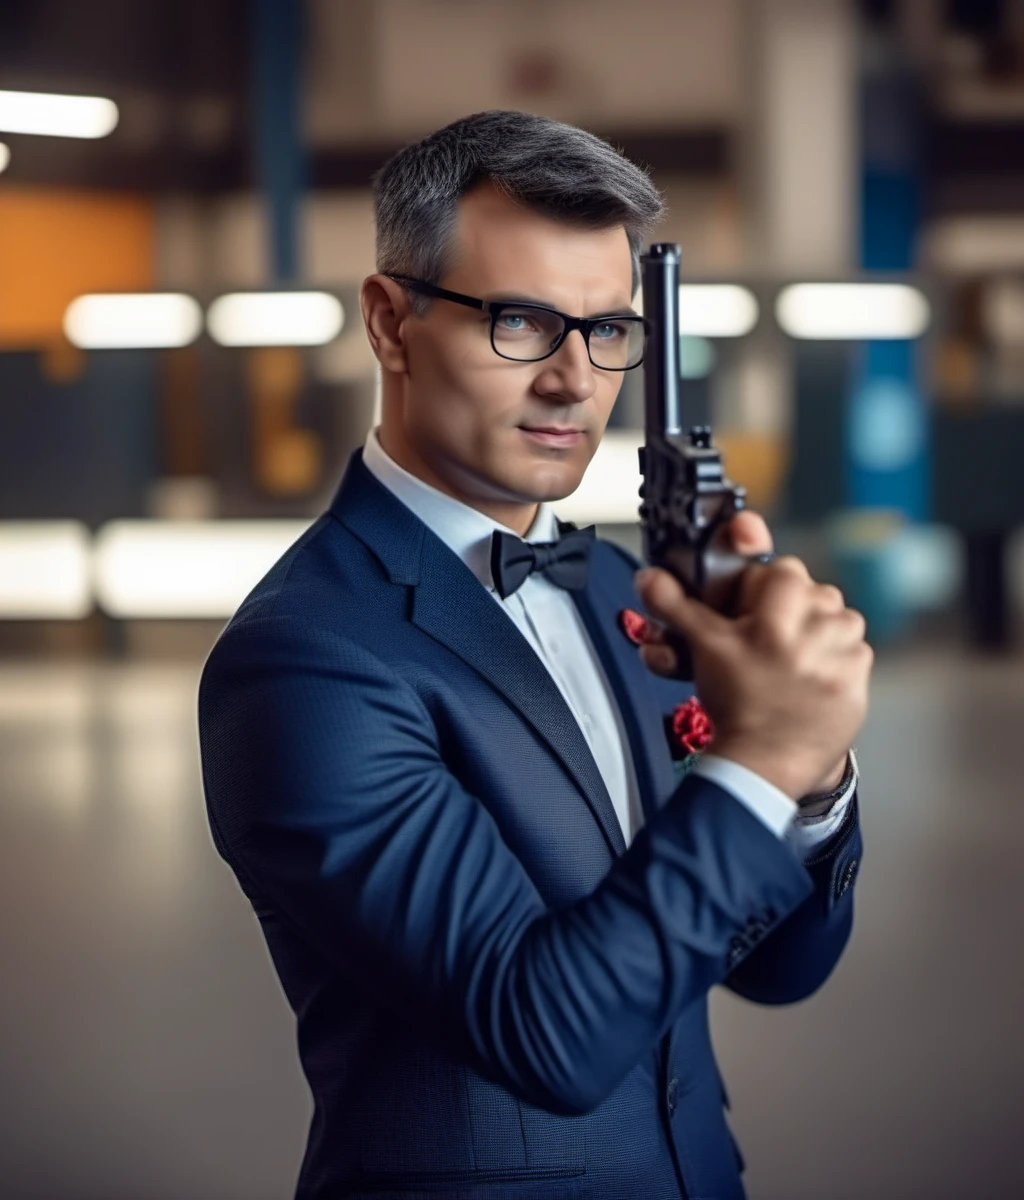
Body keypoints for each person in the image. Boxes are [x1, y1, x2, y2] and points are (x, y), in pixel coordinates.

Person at [199, 110, 870, 1200]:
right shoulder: (302, 662)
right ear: (388, 320)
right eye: (520, 321)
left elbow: (781, 966)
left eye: (608, 331)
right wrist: (767, 752)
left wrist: (815, 776)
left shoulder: (617, 588)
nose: (575, 381)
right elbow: (544, 1035)